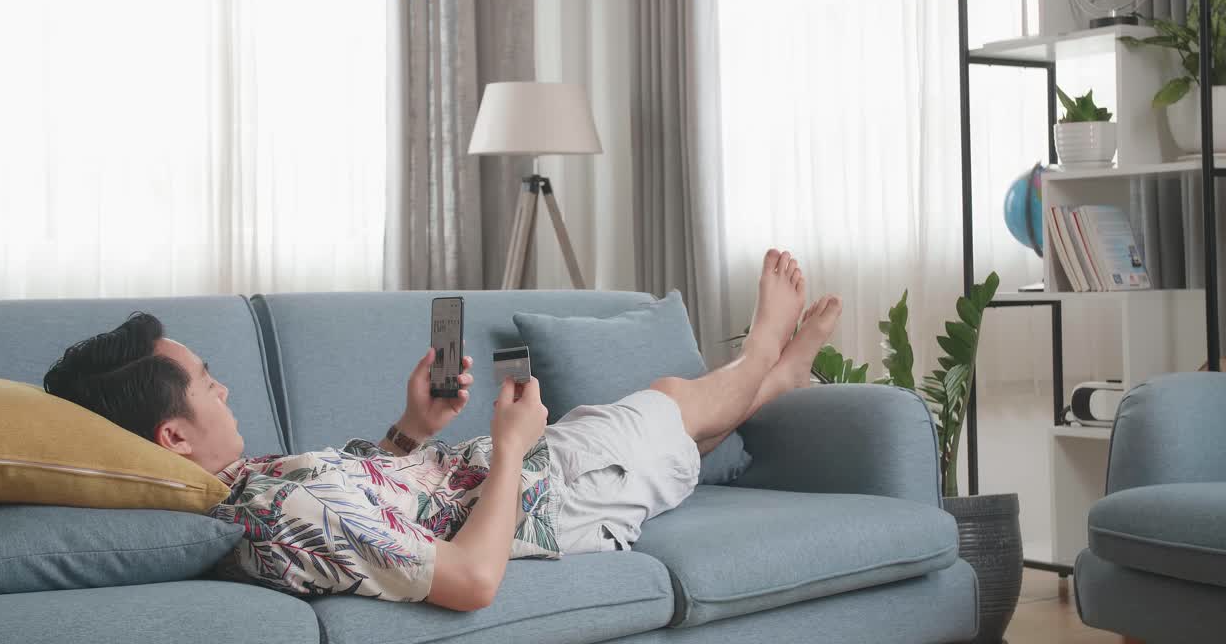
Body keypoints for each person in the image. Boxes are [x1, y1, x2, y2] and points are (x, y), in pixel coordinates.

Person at [43, 250, 842, 611]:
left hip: (511, 473)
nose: (223, 386)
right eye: (205, 384)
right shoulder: (276, 514)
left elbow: (381, 497)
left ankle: (773, 381)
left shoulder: (249, 485)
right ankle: (765, 353)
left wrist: (410, 427)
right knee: (672, 393)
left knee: (682, 437)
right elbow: (468, 580)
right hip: (546, 496)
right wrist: (514, 446)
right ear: (173, 438)